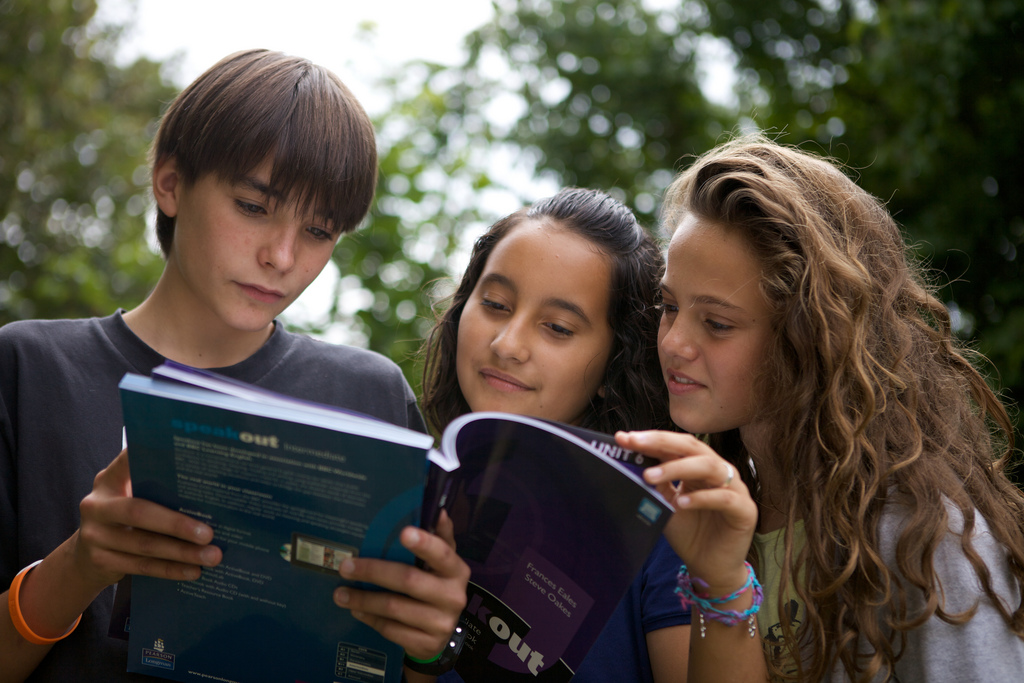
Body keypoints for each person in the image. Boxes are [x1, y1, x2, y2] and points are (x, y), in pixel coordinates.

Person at [0, 49, 468, 682]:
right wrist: (79, 566)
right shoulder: (31, 368)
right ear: (169, 183)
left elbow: (394, 661)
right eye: (253, 207)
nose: (282, 256)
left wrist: (426, 646)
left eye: (319, 230)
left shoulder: (368, 394)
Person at [615, 136, 1024, 681]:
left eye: (717, 323)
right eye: (668, 306)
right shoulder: (730, 512)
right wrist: (721, 581)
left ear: (809, 336)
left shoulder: (925, 535)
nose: (673, 343)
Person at [420, 187, 691, 682]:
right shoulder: (408, 489)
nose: (508, 344)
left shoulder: (662, 526)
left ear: (616, 362)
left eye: (558, 328)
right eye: (496, 304)